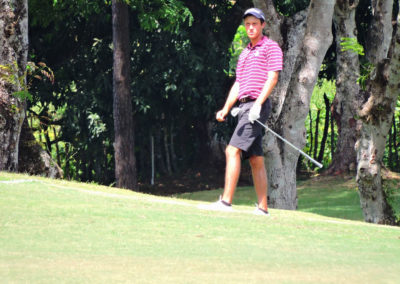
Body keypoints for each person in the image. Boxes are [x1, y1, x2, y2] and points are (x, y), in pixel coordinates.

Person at [199, 8, 283, 215]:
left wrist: (257, 105)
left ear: (263, 24)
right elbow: (238, 84)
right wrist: (226, 108)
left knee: (232, 150)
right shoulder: (245, 53)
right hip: (244, 106)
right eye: (248, 24)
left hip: (257, 106)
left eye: (255, 23)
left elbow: (272, 78)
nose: (251, 27)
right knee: (255, 159)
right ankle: (263, 209)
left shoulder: (271, 48)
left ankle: (226, 202)